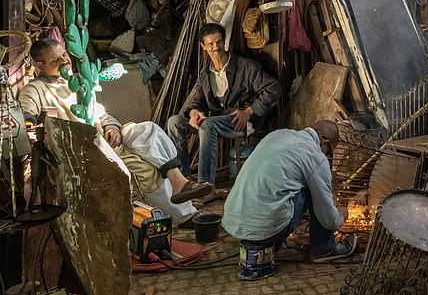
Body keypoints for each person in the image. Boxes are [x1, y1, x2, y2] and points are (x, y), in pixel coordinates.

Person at [18, 37, 212, 226]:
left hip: (106, 140)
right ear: (40, 65)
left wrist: (112, 126)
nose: (64, 61)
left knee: (148, 129)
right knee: (147, 171)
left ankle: (180, 190)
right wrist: (30, 125)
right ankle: (183, 204)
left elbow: (101, 112)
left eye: (64, 55)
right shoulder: (35, 89)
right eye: (55, 60)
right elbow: (27, 117)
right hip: (83, 150)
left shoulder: (78, 81)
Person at [222, 120, 357, 263]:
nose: (327, 157)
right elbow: (328, 218)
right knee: (312, 189)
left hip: (234, 221)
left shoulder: (277, 135)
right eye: (329, 152)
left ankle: (270, 240)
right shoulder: (316, 156)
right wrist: (340, 215)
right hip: (264, 228)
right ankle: (324, 249)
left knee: (292, 184)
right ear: (325, 143)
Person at [166, 22, 282, 187]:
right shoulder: (206, 74)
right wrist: (193, 112)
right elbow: (197, 99)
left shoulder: (246, 67)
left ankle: (205, 185)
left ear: (224, 41)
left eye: (219, 42)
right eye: (211, 44)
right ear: (203, 46)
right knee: (174, 122)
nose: (216, 47)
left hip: (241, 120)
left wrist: (250, 110)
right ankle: (184, 180)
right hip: (217, 120)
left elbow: (273, 88)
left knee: (208, 125)